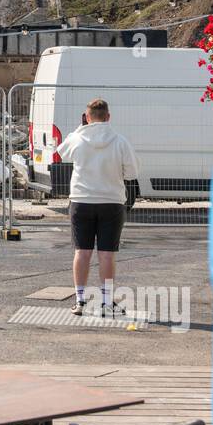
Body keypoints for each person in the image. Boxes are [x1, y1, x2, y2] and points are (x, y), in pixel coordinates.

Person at [56, 98, 138, 317]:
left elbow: (61, 152)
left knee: (82, 253)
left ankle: (80, 300)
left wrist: (80, 127)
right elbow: (132, 174)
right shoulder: (120, 141)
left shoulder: (77, 138)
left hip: (82, 200)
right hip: (111, 202)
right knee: (107, 255)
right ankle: (106, 301)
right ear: (108, 117)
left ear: (87, 117)